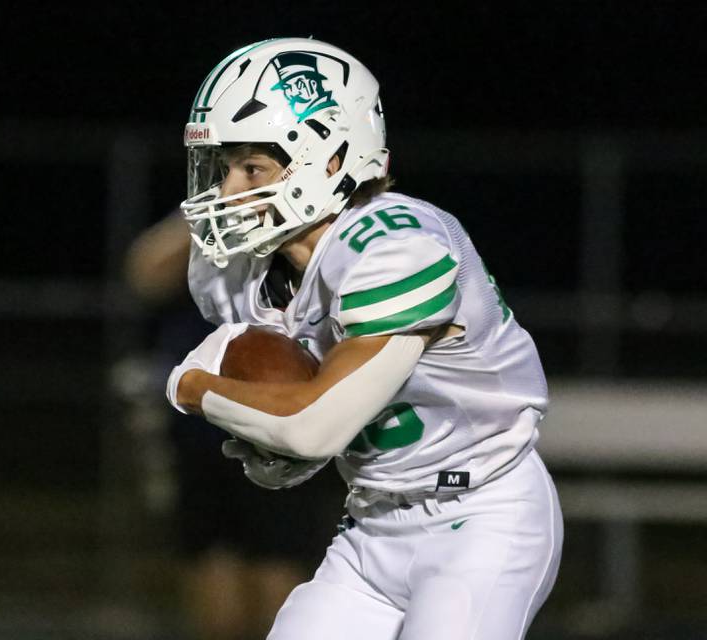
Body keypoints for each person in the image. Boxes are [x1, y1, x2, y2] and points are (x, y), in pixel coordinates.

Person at [167, 37, 563, 640]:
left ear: (331, 162)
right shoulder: (247, 271)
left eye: (253, 167)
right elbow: (314, 424)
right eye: (225, 168)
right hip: (371, 525)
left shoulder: (397, 246)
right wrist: (283, 451)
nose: (227, 193)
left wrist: (189, 384)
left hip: (483, 518)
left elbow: (314, 423)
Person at [124, 211, 345, 640]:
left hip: (278, 427)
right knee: (211, 567)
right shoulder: (212, 222)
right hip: (201, 432)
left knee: (278, 574)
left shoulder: (304, 227)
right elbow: (145, 273)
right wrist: (211, 217)